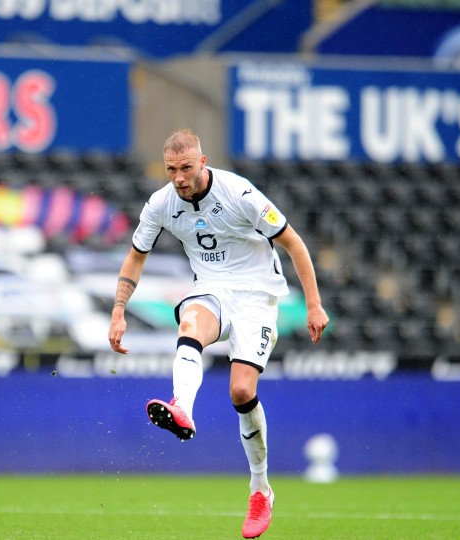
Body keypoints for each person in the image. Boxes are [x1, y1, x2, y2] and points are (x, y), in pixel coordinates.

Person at [108, 129, 329, 539]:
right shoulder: (160, 204)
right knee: (189, 323)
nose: (178, 177)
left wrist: (314, 305)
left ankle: (260, 488)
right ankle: (183, 409)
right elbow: (136, 255)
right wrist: (119, 310)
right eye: (171, 169)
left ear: (203, 162)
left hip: (257, 296)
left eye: (186, 168)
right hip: (211, 288)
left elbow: (294, 244)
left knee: (241, 392)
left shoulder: (240, 194)